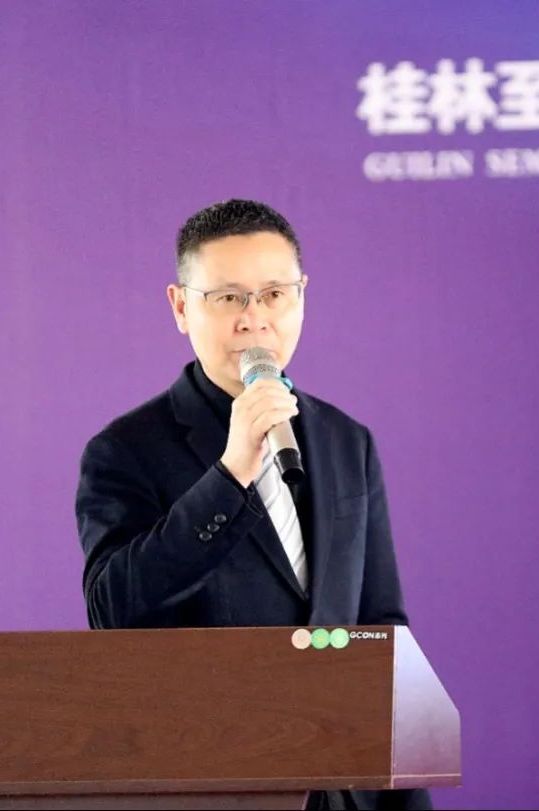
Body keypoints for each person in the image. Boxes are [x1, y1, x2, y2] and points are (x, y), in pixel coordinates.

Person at [75, 199, 431, 811]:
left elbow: (381, 628)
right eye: (228, 298)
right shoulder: (125, 450)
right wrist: (231, 472)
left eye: (273, 295)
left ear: (302, 297)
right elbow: (112, 608)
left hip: (342, 786)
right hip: (214, 784)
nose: (255, 319)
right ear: (181, 306)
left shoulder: (347, 441)